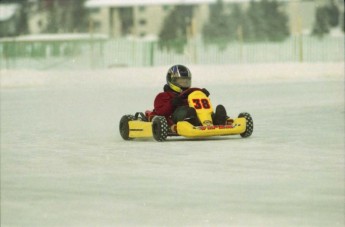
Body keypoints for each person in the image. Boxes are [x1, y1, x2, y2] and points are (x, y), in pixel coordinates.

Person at [152, 64, 230, 132]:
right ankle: (192, 122)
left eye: (186, 81)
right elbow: (160, 113)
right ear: (172, 81)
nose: (184, 83)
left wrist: (202, 94)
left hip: (197, 114)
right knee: (190, 110)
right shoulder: (163, 96)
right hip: (176, 118)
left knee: (220, 108)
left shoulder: (190, 93)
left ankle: (217, 121)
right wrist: (172, 103)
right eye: (181, 81)